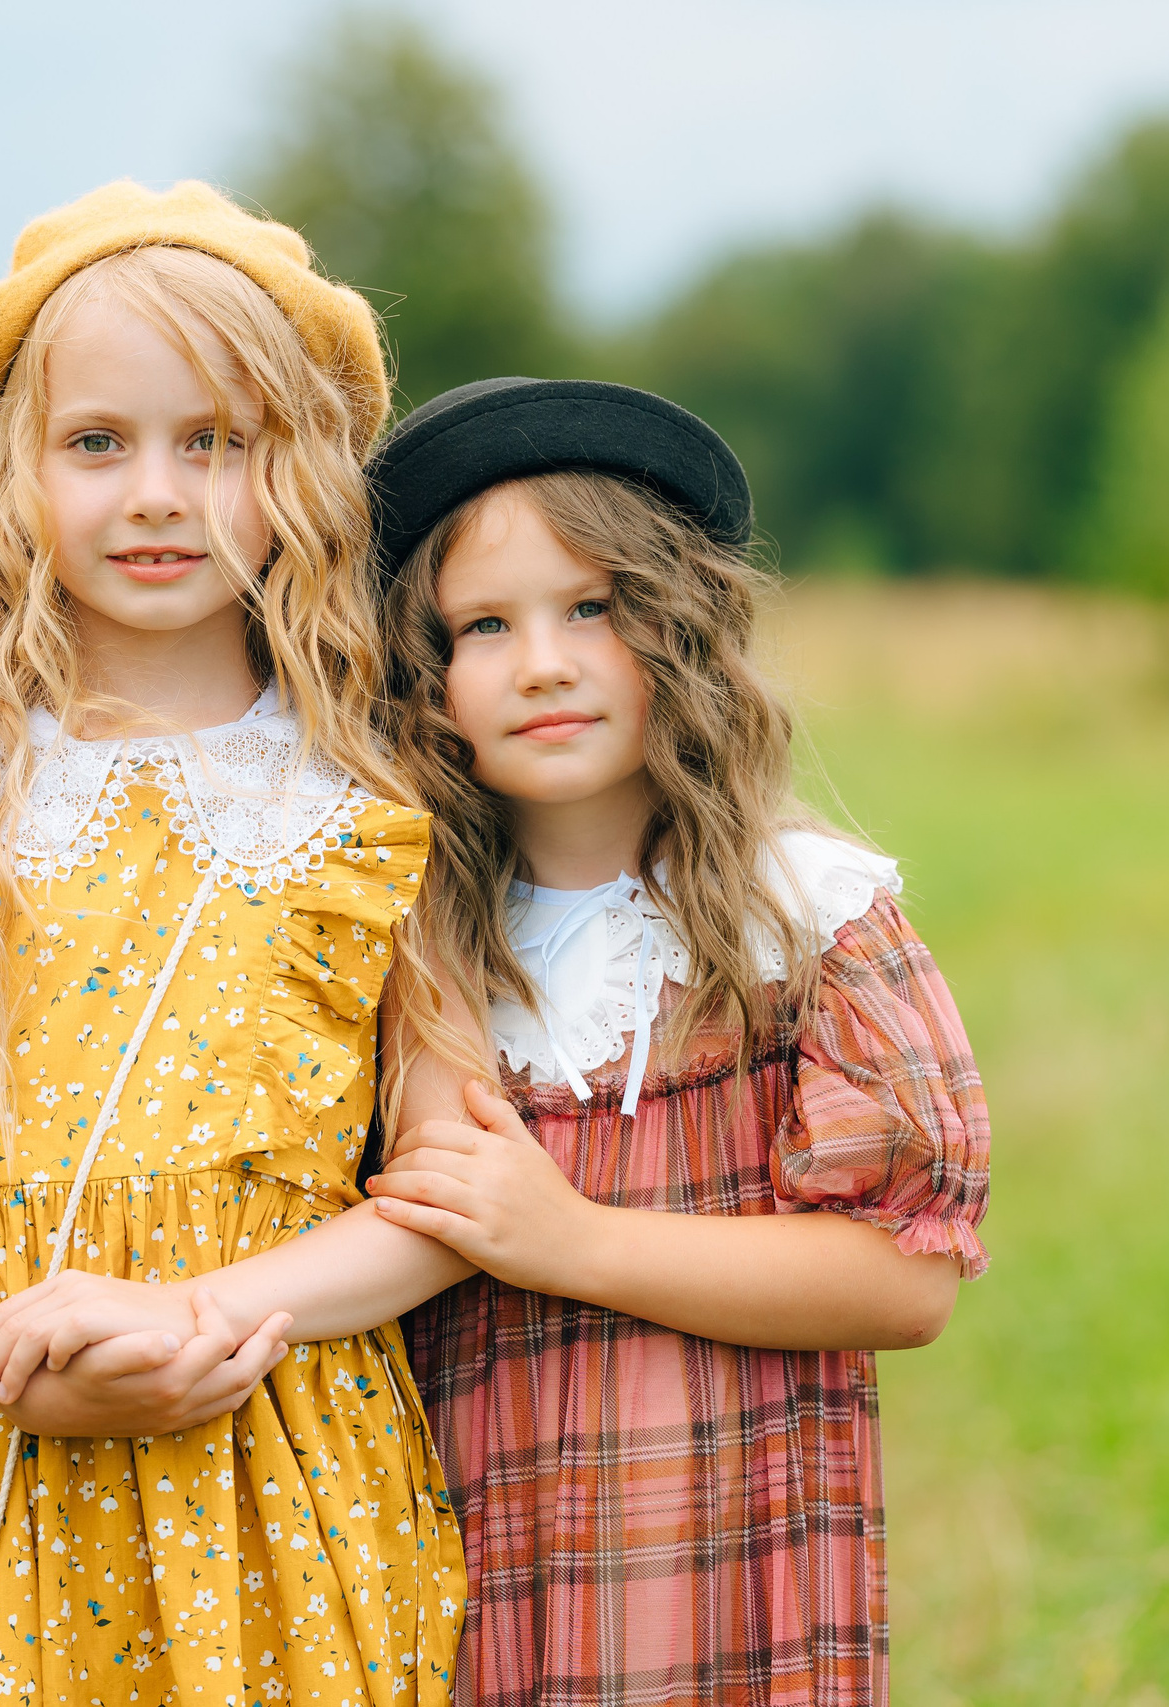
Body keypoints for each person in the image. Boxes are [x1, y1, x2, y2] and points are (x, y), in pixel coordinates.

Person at [0, 181, 479, 1707]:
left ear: (297, 474)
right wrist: (2, 1359)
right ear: (18, 477)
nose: (157, 494)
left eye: (215, 442)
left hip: (280, 1454)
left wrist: (201, 1317)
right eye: (98, 443)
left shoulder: (372, 810)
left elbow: (449, 1197)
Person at [361, 378, 993, 1707]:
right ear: (426, 676)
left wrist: (573, 1241)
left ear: (680, 627)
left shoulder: (803, 920)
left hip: (721, 1579)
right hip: (461, 1567)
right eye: (485, 625)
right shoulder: (399, 947)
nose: (543, 663)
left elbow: (907, 1281)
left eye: (592, 608)